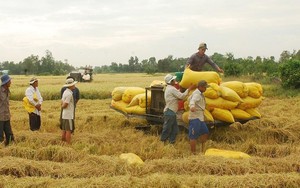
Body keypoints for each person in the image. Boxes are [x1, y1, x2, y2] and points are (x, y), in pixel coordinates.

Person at [161, 74, 195, 144]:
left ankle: (171, 142)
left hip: (171, 111)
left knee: (175, 129)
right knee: (167, 128)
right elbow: (181, 96)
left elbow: (178, 94)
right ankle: (163, 141)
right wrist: (189, 89)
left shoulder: (169, 88)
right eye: (174, 80)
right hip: (170, 111)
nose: (175, 81)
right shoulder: (172, 89)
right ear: (171, 81)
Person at [188, 80, 210, 154]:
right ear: (200, 87)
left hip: (200, 118)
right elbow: (192, 101)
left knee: (205, 132)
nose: (205, 89)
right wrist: (192, 107)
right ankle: (193, 153)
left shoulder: (200, 94)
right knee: (193, 136)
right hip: (195, 118)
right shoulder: (197, 94)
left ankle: (201, 149)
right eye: (204, 87)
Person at [0, 75, 15, 146]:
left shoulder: (8, 91)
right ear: (5, 83)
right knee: (0, 136)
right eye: (9, 81)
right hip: (0, 117)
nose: (10, 82)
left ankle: (10, 147)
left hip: (6, 116)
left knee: (9, 134)